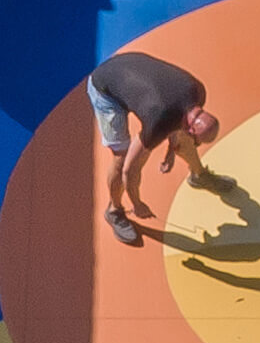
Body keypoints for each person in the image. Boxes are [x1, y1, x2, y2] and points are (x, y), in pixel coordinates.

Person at [86, 51, 236, 244]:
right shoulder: (159, 120)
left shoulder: (197, 92)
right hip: (106, 89)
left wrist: (171, 150)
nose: (195, 142)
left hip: (131, 67)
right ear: (191, 126)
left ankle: (199, 175)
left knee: (182, 140)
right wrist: (137, 203)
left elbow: (177, 127)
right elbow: (130, 170)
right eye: (196, 139)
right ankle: (114, 210)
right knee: (121, 157)